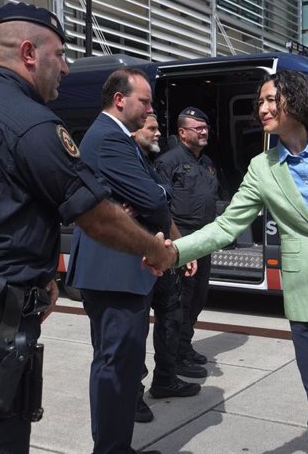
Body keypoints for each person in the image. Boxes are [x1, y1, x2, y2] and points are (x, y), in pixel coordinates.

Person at [0, 3, 172, 454]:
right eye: (61, 55)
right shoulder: (31, 125)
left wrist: (43, 277)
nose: (66, 68)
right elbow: (97, 215)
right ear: (30, 52)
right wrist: (157, 249)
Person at [166, 71, 308, 454]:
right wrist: (176, 251)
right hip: (307, 291)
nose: (263, 108)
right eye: (260, 101)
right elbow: (226, 226)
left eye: (272, 99)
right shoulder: (262, 167)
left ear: (298, 100)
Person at [65, 70, 195, 453]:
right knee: (115, 366)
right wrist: (150, 196)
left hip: (118, 270)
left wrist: (149, 196)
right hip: (113, 271)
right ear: (120, 100)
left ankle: (116, 446)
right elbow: (155, 197)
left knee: (119, 365)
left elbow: (155, 191)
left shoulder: (118, 139)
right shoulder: (109, 139)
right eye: (146, 101)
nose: (151, 109)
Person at [130, 114, 201, 424]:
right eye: (151, 127)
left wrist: (181, 247)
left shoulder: (148, 161)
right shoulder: (124, 159)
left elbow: (160, 208)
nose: (159, 132)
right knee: (135, 330)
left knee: (171, 315)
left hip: (164, 254)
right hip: (137, 258)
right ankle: (131, 396)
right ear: (134, 130)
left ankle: (165, 379)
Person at [154, 106, 220, 378]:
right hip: (181, 242)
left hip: (203, 241)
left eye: (205, 127)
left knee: (197, 299)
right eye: (198, 128)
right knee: (178, 302)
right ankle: (175, 358)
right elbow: (160, 206)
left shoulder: (207, 163)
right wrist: (174, 243)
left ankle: (185, 346)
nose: (204, 131)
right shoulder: (168, 162)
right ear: (182, 133)